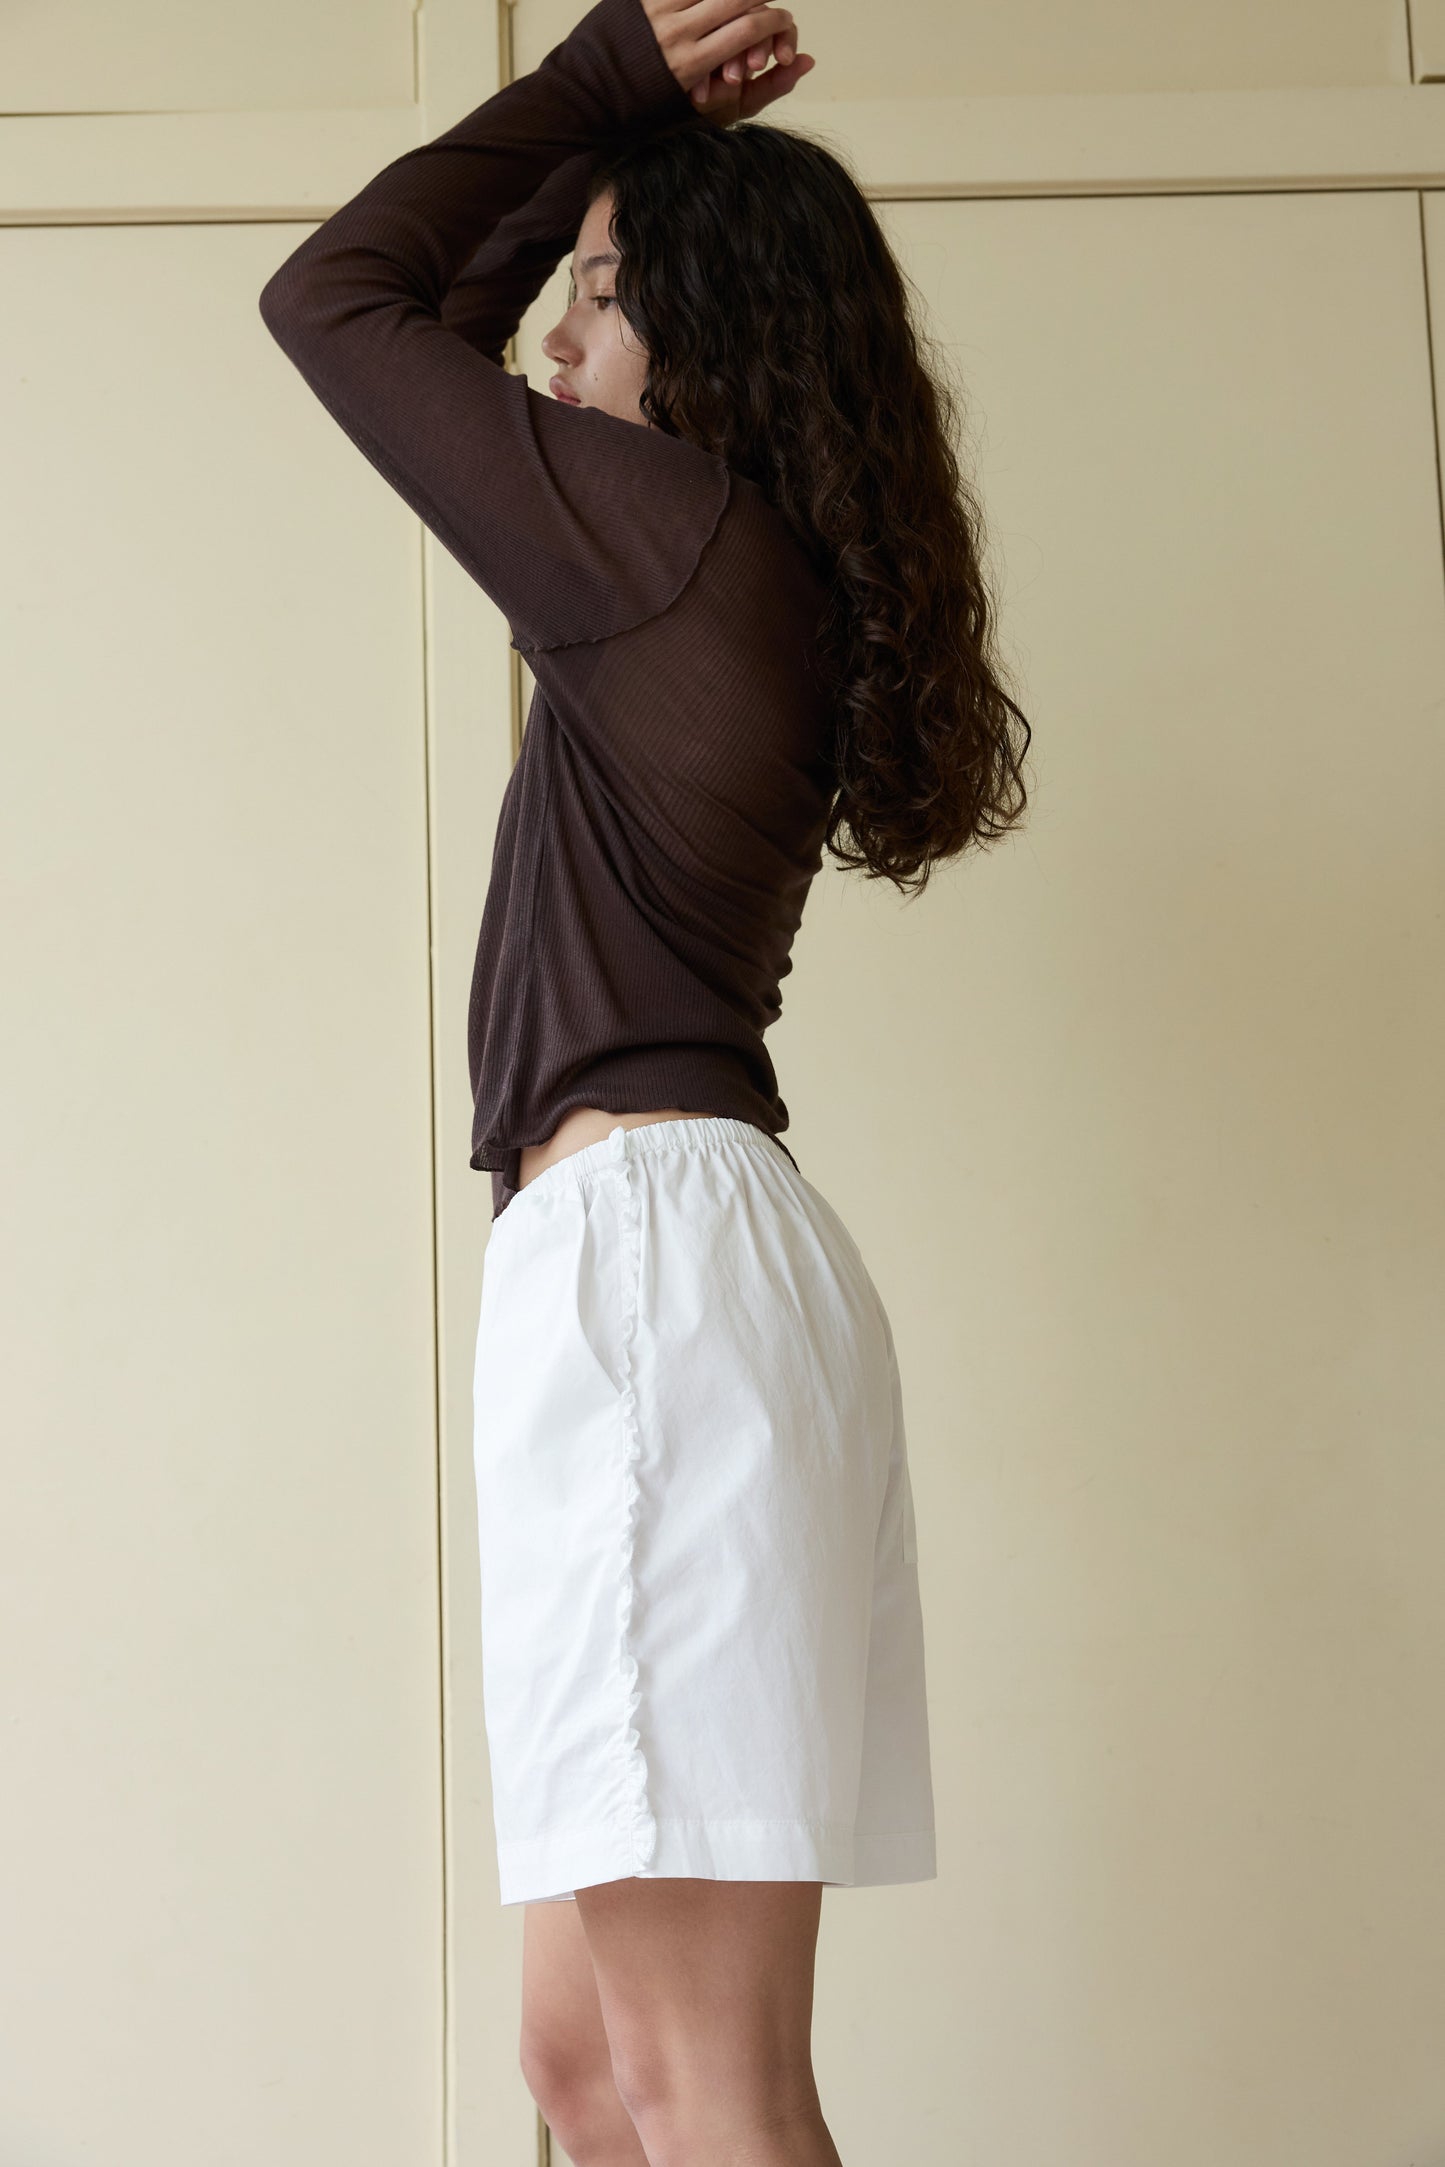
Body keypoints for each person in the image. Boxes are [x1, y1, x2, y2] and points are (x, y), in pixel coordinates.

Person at [259, 0, 1030, 2156]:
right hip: (661, 1275)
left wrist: (603, 81)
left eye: (597, 300)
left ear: (705, 336)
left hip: (649, 1284)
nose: (550, 349)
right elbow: (437, 321)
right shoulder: (693, 563)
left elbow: (341, 298)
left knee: (694, 2071)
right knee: (587, 2062)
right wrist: (600, 181)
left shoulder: (663, 535)